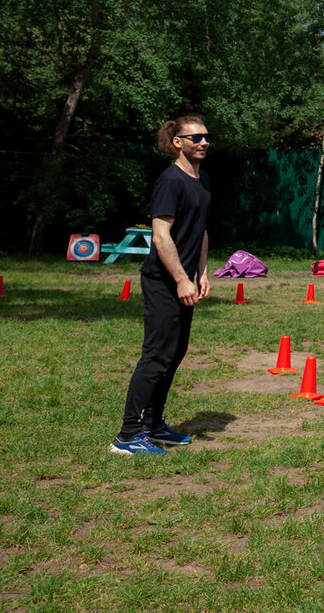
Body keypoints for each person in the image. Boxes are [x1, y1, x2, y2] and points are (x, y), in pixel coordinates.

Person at [111, 115, 213, 456]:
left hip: (186, 280)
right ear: (177, 142)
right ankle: (127, 435)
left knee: (175, 353)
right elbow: (160, 235)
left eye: (206, 136)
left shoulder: (202, 181)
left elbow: (200, 230)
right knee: (156, 356)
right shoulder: (170, 181)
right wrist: (180, 279)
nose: (203, 142)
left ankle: (153, 426)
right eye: (194, 137)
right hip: (162, 281)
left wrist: (201, 272)